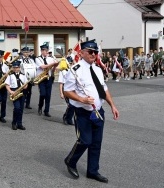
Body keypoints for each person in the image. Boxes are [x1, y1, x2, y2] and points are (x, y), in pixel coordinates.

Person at [63, 40, 119, 183]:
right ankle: (70, 161)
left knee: (96, 143)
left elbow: (104, 89)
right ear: (81, 53)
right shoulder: (75, 70)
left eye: (95, 52)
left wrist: (112, 105)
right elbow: (67, 91)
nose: (93, 54)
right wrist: (81, 99)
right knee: (85, 140)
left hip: (98, 111)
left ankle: (93, 171)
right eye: (90, 52)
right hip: (83, 112)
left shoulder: (98, 69)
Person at [35, 44, 58, 117]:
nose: (45, 52)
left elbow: (53, 69)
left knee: (48, 95)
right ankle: (40, 106)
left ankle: (46, 111)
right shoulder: (38, 59)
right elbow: (43, 66)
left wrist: (55, 66)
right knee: (42, 94)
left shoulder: (50, 59)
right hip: (41, 79)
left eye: (46, 50)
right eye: (43, 50)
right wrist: (53, 63)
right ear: (41, 51)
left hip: (49, 78)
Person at [5, 60, 28, 130]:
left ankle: (19, 124)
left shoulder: (23, 75)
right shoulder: (10, 76)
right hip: (14, 92)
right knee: (17, 108)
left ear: (19, 68)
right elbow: (7, 85)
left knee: (21, 109)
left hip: (21, 92)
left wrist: (25, 86)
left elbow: (26, 84)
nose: (16, 69)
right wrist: (10, 91)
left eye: (17, 67)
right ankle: (14, 123)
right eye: (14, 68)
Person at [58, 56, 74, 125]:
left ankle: (69, 119)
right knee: (70, 105)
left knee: (73, 105)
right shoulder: (62, 71)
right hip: (66, 89)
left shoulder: (73, 70)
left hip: (73, 89)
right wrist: (61, 93)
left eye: (71, 63)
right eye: (69, 63)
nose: (70, 64)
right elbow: (61, 83)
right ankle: (65, 117)